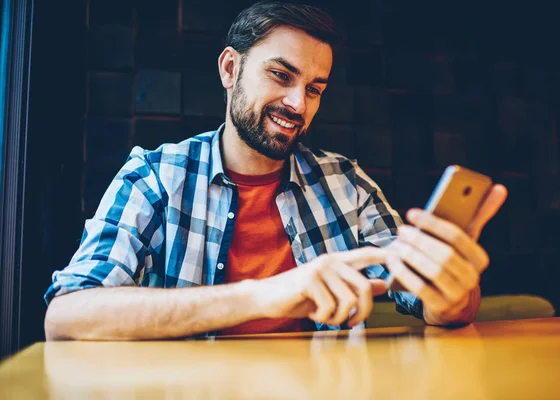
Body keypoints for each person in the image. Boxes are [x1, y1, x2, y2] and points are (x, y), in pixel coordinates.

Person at [44, 1, 507, 340]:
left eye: (314, 88)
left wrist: (453, 297)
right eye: (281, 76)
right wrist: (264, 295)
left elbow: (424, 299)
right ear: (230, 68)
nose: (297, 104)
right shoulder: (154, 176)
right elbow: (67, 316)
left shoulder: (346, 183)